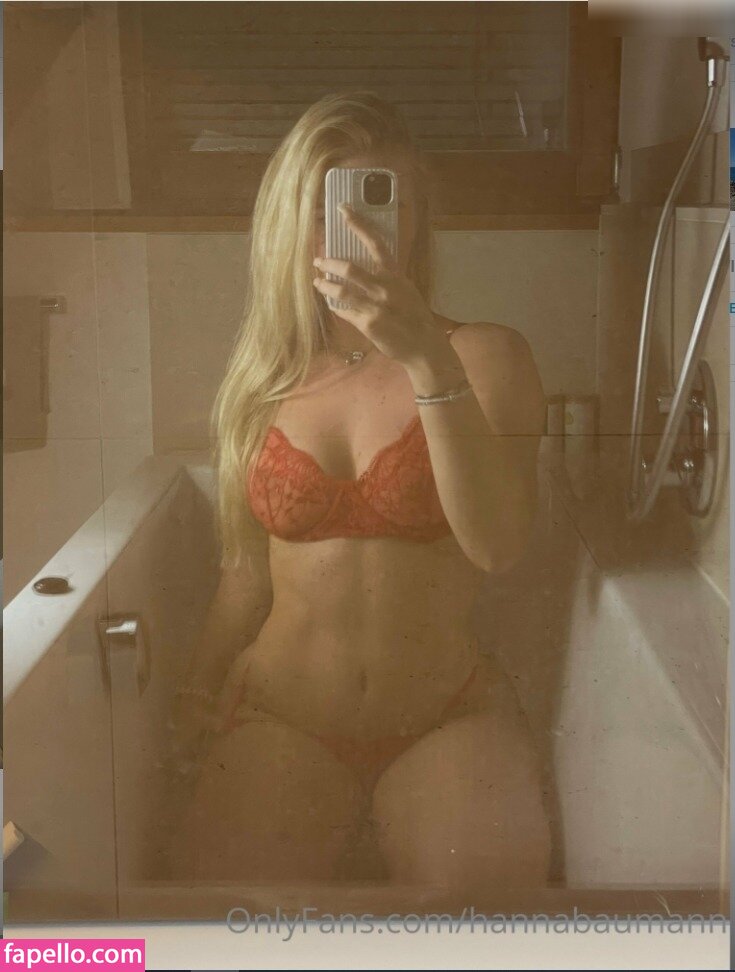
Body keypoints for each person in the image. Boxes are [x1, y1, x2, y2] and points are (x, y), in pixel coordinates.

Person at [170, 90, 551, 898]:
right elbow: (246, 573)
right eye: (324, 211)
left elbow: (498, 547)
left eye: (383, 205)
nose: (356, 231)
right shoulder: (262, 382)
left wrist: (425, 360)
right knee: (227, 919)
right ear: (287, 224)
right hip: (281, 719)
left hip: (444, 718)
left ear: (416, 222)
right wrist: (195, 694)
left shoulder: (486, 357)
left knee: (484, 922)